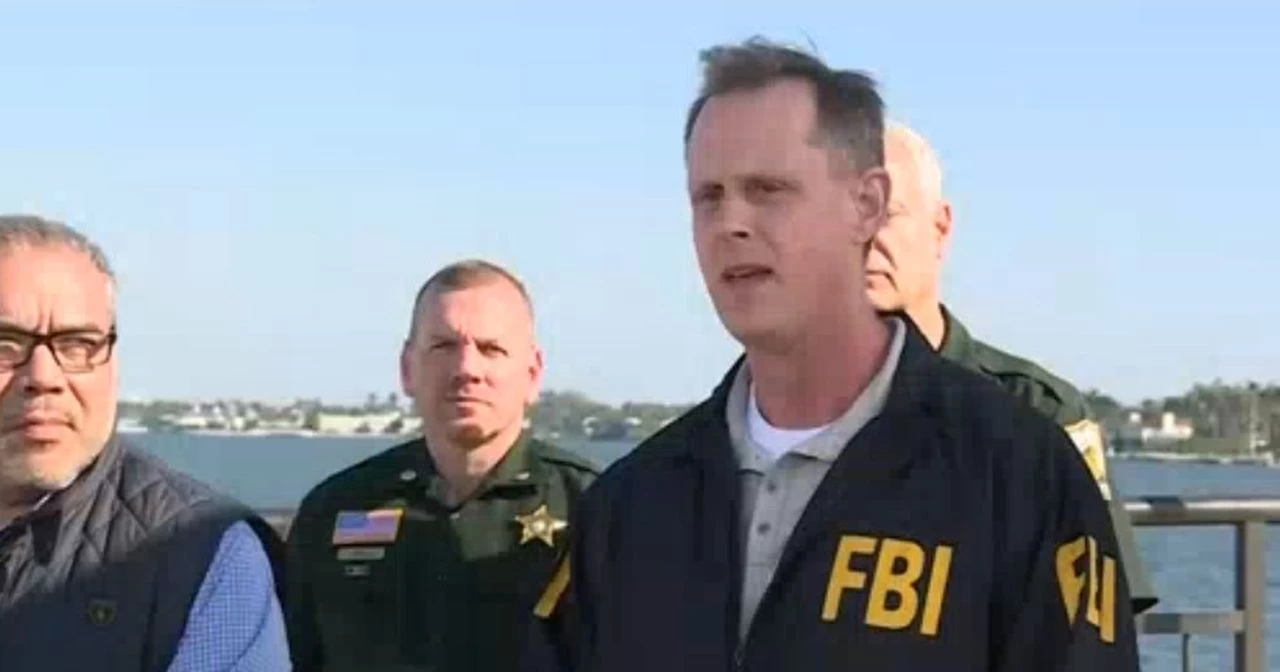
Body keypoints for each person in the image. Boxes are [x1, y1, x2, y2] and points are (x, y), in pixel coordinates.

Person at [525, 39, 1140, 671]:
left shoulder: (1016, 474)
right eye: (709, 196)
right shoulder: (631, 504)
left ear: (867, 205)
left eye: (767, 189)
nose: (731, 223)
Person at [867, 121, 1159, 614]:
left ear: (940, 228)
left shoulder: (1037, 411)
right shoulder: (786, 408)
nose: (864, 239)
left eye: (887, 214)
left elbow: (1097, 613)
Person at [0, 215, 290, 671]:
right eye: (5, 344)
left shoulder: (201, 556)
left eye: (78, 345)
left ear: (113, 363)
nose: (44, 377)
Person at [284, 259, 598, 671]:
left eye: (492, 349)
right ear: (407, 369)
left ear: (532, 373)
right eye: (443, 346)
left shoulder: (594, 510)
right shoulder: (333, 511)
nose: (467, 369)